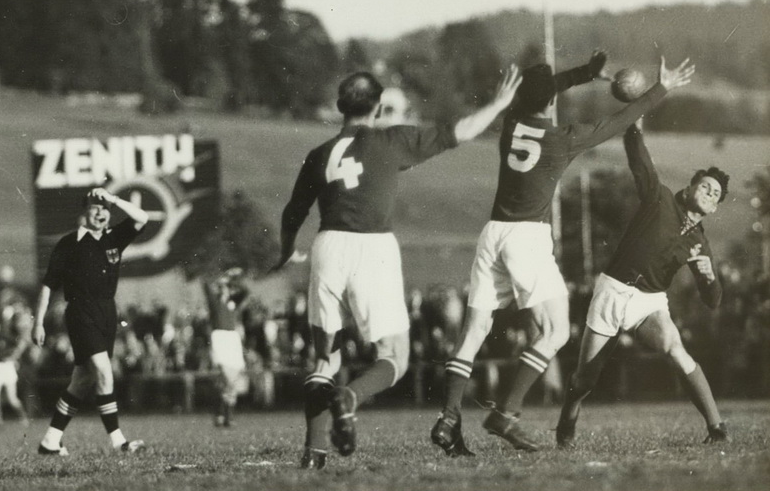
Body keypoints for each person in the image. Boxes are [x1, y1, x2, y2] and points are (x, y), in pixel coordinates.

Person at [431, 53, 697, 456]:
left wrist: (584, 74)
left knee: (473, 332)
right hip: (527, 238)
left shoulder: (511, 124)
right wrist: (662, 87)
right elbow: (619, 122)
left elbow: (540, 91)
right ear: (551, 102)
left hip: (493, 234)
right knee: (555, 331)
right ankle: (506, 413)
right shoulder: (562, 138)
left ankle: (449, 417)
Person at [275, 66, 523, 469]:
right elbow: (456, 133)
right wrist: (498, 103)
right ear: (378, 106)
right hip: (372, 247)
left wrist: (287, 250)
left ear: (341, 107)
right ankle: (351, 398)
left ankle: (314, 453)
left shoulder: (319, 154)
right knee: (394, 355)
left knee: (325, 358)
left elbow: (292, 214)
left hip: (326, 245)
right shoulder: (390, 139)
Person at [556, 120, 730, 447]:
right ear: (690, 189)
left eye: (716, 194)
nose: (709, 193)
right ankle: (568, 418)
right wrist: (634, 126)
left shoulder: (700, 243)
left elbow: (714, 301)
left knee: (674, 348)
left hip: (649, 302)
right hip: (612, 290)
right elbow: (639, 160)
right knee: (585, 379)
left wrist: (709, 280)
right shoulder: (659, 199)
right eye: (706, 186)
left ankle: (717, 428)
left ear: (716, 207)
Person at [32, 187, 150, 456]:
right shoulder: (68, 243)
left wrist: (115, 199)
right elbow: (48, 285)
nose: (100, 213)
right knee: (103, 371)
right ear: (84, 212)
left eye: (105, 208)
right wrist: (38, 322)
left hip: (107, 313)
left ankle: (51, 440)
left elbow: (142, 218)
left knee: (82, 380)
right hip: (80, 312)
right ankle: (119, 442)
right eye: (95, 207)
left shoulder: (114, 239)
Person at [203, 267, 250, 428]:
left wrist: (232, 278)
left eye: (227, 288)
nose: (225, 290)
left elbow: (245, 291)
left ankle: (225, 415)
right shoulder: (215, 303)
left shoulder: (233, 303)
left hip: (233, 339)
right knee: (226, 378)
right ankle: (222, 413)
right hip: (220, 338)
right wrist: (219, 278)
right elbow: (206, 284)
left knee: (232, 381)